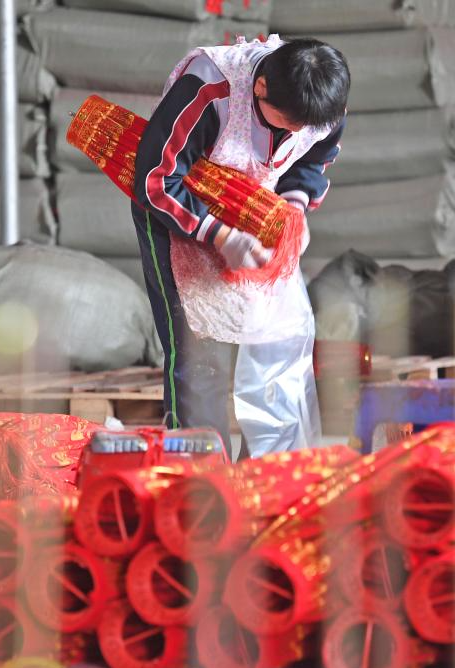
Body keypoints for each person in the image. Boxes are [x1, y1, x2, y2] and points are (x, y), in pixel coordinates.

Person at [131, 35, 350, 458]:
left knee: (278, 347)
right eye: (286, 123)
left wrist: (293, 207)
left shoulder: (322, 106)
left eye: (304, 128)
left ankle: (264, 477)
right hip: (180, 211)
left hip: (257, 212)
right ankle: (200, 481)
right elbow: (155, 180)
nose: (296, 133)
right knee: (200, 357)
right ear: (260, 87)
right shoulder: (210, 87)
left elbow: (312, 158)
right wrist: (220, 235)